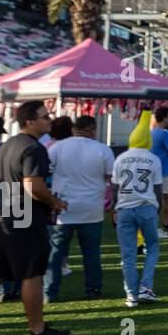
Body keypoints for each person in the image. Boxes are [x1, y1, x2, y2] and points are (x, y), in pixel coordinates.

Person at [0, 100, 71, 335]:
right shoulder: (33, 148)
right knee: (32, 273)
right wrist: (54, 202)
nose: (49, 120)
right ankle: (38, 331)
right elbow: (33, 186)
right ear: (30, 121)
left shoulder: (8, 145)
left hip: (0, 216)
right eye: (45, 116)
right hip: (23, 218)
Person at [43, 115, 114, 302]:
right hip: (92, 208)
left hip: (63, 208)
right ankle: (93, 289)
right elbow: (110, 177)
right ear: (93, 129)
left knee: (56, 252)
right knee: (91, 251)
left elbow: (45, 172)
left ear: (74, 129)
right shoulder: (103, 149)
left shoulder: (57, 147)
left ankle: (49, 291)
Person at [113, 110, 164, 308]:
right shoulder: (153, 159)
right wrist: (156, 209)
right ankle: (146, 287)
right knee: (152, 248)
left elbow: (115, 187)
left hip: (124, 208)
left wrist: (114, 210)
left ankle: (131, 295)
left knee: (128, 255)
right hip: (146, 207)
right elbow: (158, 188)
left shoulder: (120, 158)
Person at [147, 107, 168, 237]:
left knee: (153, 197)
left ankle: (155, 224)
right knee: (164, 198)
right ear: (165, 118)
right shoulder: (165, 133)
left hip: (149, 170)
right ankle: (162, 223)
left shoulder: (148, 133)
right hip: (163, 171)